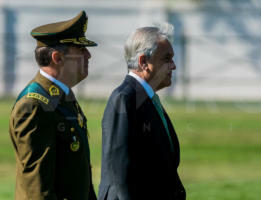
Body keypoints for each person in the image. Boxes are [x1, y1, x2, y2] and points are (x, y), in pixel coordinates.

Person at [9, 11, 97, 200]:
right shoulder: (33, 105)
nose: (88, 55)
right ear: (57, 58)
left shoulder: (61, 95)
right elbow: (37, 191)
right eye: (81, 50)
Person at [98, 23, 186, 200]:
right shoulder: (124, 98)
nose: (174, 66)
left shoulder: (147, 98)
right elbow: (120, 171)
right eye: (167, 58)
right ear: (143, 62)